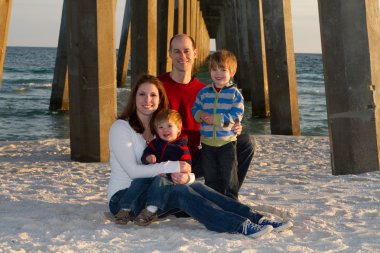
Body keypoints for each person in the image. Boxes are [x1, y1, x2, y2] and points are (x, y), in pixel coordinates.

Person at [107, 73, 292, 237]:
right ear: (134, 98)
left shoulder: (161, 131)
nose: (147, 99)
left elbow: (179, 168)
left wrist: (187, 175)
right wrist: (174, 167)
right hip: (124, 199)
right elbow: (133, 172)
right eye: (142, 94)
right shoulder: (121, 127)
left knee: (196, 186)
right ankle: (239, 226)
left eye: (153, 95)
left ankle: (257, 219)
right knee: (180, 191)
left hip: (155, 192)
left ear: (160, 99)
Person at [158, 34, 255, 199]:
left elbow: (228, 113)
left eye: (187, 51)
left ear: (195, 53)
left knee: (246, 142)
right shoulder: (158, 86)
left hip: (199, 155)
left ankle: (226, 195)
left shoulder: (205, 91)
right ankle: (211, 195)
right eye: (177, 51)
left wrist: (235, 125)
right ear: (170, 54)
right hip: (170, 158)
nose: (182, 56)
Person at [192, 50, 243, 199]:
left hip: (226, 142)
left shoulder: (235, 94)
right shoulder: (204, 92)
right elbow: (195, 108)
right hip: (207, 143)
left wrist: (215, 119)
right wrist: (200, 115)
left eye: (223, 70)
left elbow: (236, 116)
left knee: (229, 176)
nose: (218, 73)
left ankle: (231, 202)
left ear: (232, 72)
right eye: (214, 69)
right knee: (211, 176)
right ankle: (214, 201)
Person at [138, 109, 193, 223]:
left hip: (171, 180)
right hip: (154, 176)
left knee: (160, 181)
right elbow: (145, 155)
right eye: (161, 127)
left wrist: (182, 175)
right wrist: (148, 157)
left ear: (178, 128)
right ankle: (127, 207)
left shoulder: (182, 148)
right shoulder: (155, 144)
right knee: (140, 182)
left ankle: (151, 210)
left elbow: (187, 166)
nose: (165, 130)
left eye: (169, 126)